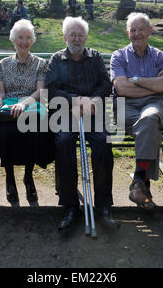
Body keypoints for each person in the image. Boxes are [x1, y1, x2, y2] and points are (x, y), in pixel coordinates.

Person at [46, 16, 118, 231]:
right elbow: (50, 89)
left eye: (80, 35)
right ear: (65, 37)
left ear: (86, 37)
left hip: (93, 112)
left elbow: (105, 84)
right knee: (64, 142)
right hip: (66, 112)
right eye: (72, 34)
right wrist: (74, 100)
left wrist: (93, 100)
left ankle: (103, 205)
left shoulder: (94, 57)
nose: (76, 39)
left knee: (103, 144)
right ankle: (70, 206)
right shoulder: (56, 59)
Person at [110, 12, 163, 208]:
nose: (137, 34)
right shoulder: (119, 56)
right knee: (149, 126)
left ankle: (138, 178)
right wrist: (153, 85)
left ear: (150, 31)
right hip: (125, 106)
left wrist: (136, 81)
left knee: (150, 118)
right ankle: (143, 185)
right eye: (133, 30)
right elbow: (121, 88)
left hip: (152, 106)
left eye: (141, 29)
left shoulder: (159, 56)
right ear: (128, 33)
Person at [0, 19, 55, 204]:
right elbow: (1, 91)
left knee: (31, 130)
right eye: (20, 37)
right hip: (9, 107)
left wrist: (24, 104)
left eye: (28, 37)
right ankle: (10, 178)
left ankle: (28, 177)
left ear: (32, 40)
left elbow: (41, 93)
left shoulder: (40, 64)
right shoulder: (3, 64)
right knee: (5, 132)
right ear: (13, 39)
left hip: (31, 106)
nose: (24, 41)